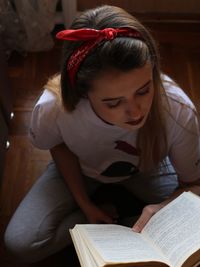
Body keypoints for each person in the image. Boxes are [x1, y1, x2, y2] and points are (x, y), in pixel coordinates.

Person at [4, 4, 200, 263]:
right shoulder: (55, 107)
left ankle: (127, 215)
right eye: (113, 102)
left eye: (143, 90)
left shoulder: (176, 107)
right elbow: (59, 146)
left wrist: (162, 209)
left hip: (151, 169)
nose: (134, 112)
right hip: (80, 170)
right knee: (20, 243)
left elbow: (193, 184)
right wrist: (84, 203)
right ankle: (122, 216)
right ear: (82, 93)